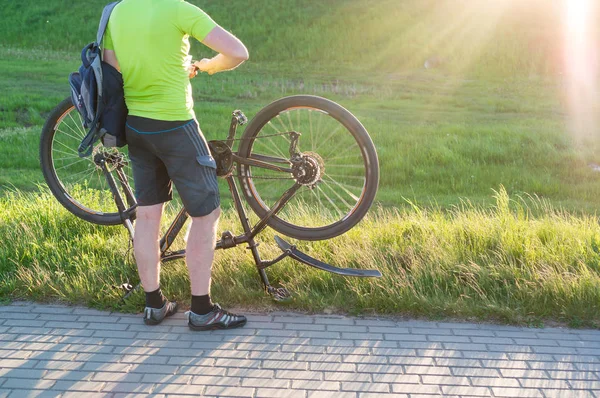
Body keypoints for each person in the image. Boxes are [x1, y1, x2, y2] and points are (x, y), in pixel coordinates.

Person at [102, 0, 249, 330]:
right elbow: (238, 52)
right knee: (206, 213)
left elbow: (113, 69)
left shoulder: (117, 11)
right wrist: (206, 65)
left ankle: (154, 305)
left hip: (136, 125)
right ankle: (202, 310)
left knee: (148, 214)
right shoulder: (179, 9)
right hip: (175, 124)